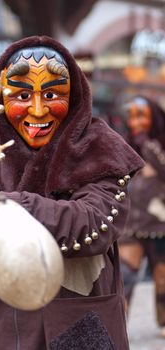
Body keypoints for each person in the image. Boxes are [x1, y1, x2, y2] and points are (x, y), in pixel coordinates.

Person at [0, 36, 143, 350]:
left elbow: (95, 224)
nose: (38, 109)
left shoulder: (100, 151)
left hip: (81, 331)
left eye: (52, 93)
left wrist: (2, 207)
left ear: (73, 97)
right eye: (21, 95)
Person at [119, 96, 165, 336]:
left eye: (141, 115)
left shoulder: (158, 144)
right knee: (124, 275)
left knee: (162, 279)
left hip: (160, 224)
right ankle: (117, 324)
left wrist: (147, 144)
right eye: (132, 116)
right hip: (130, 225)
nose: (135, 121)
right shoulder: (122, 145)